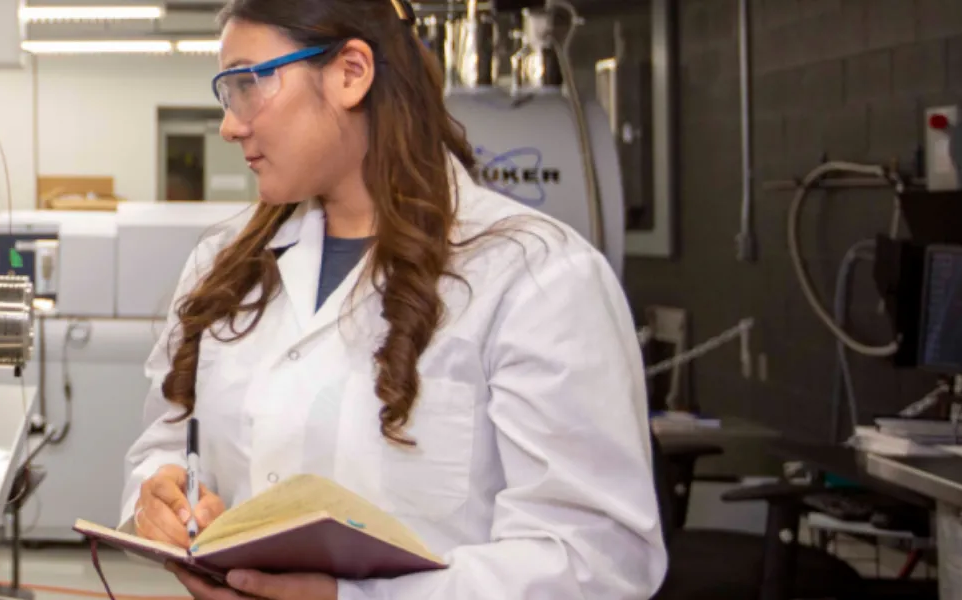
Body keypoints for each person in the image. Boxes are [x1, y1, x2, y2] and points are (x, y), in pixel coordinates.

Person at [119, 0, 666, 598]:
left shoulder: (536, 276)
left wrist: (353, 599)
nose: (229, 125)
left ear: (351, 73)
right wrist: (160, 494)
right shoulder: (224, 264)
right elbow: (168, 439)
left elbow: (595, 560)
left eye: (248, 85)